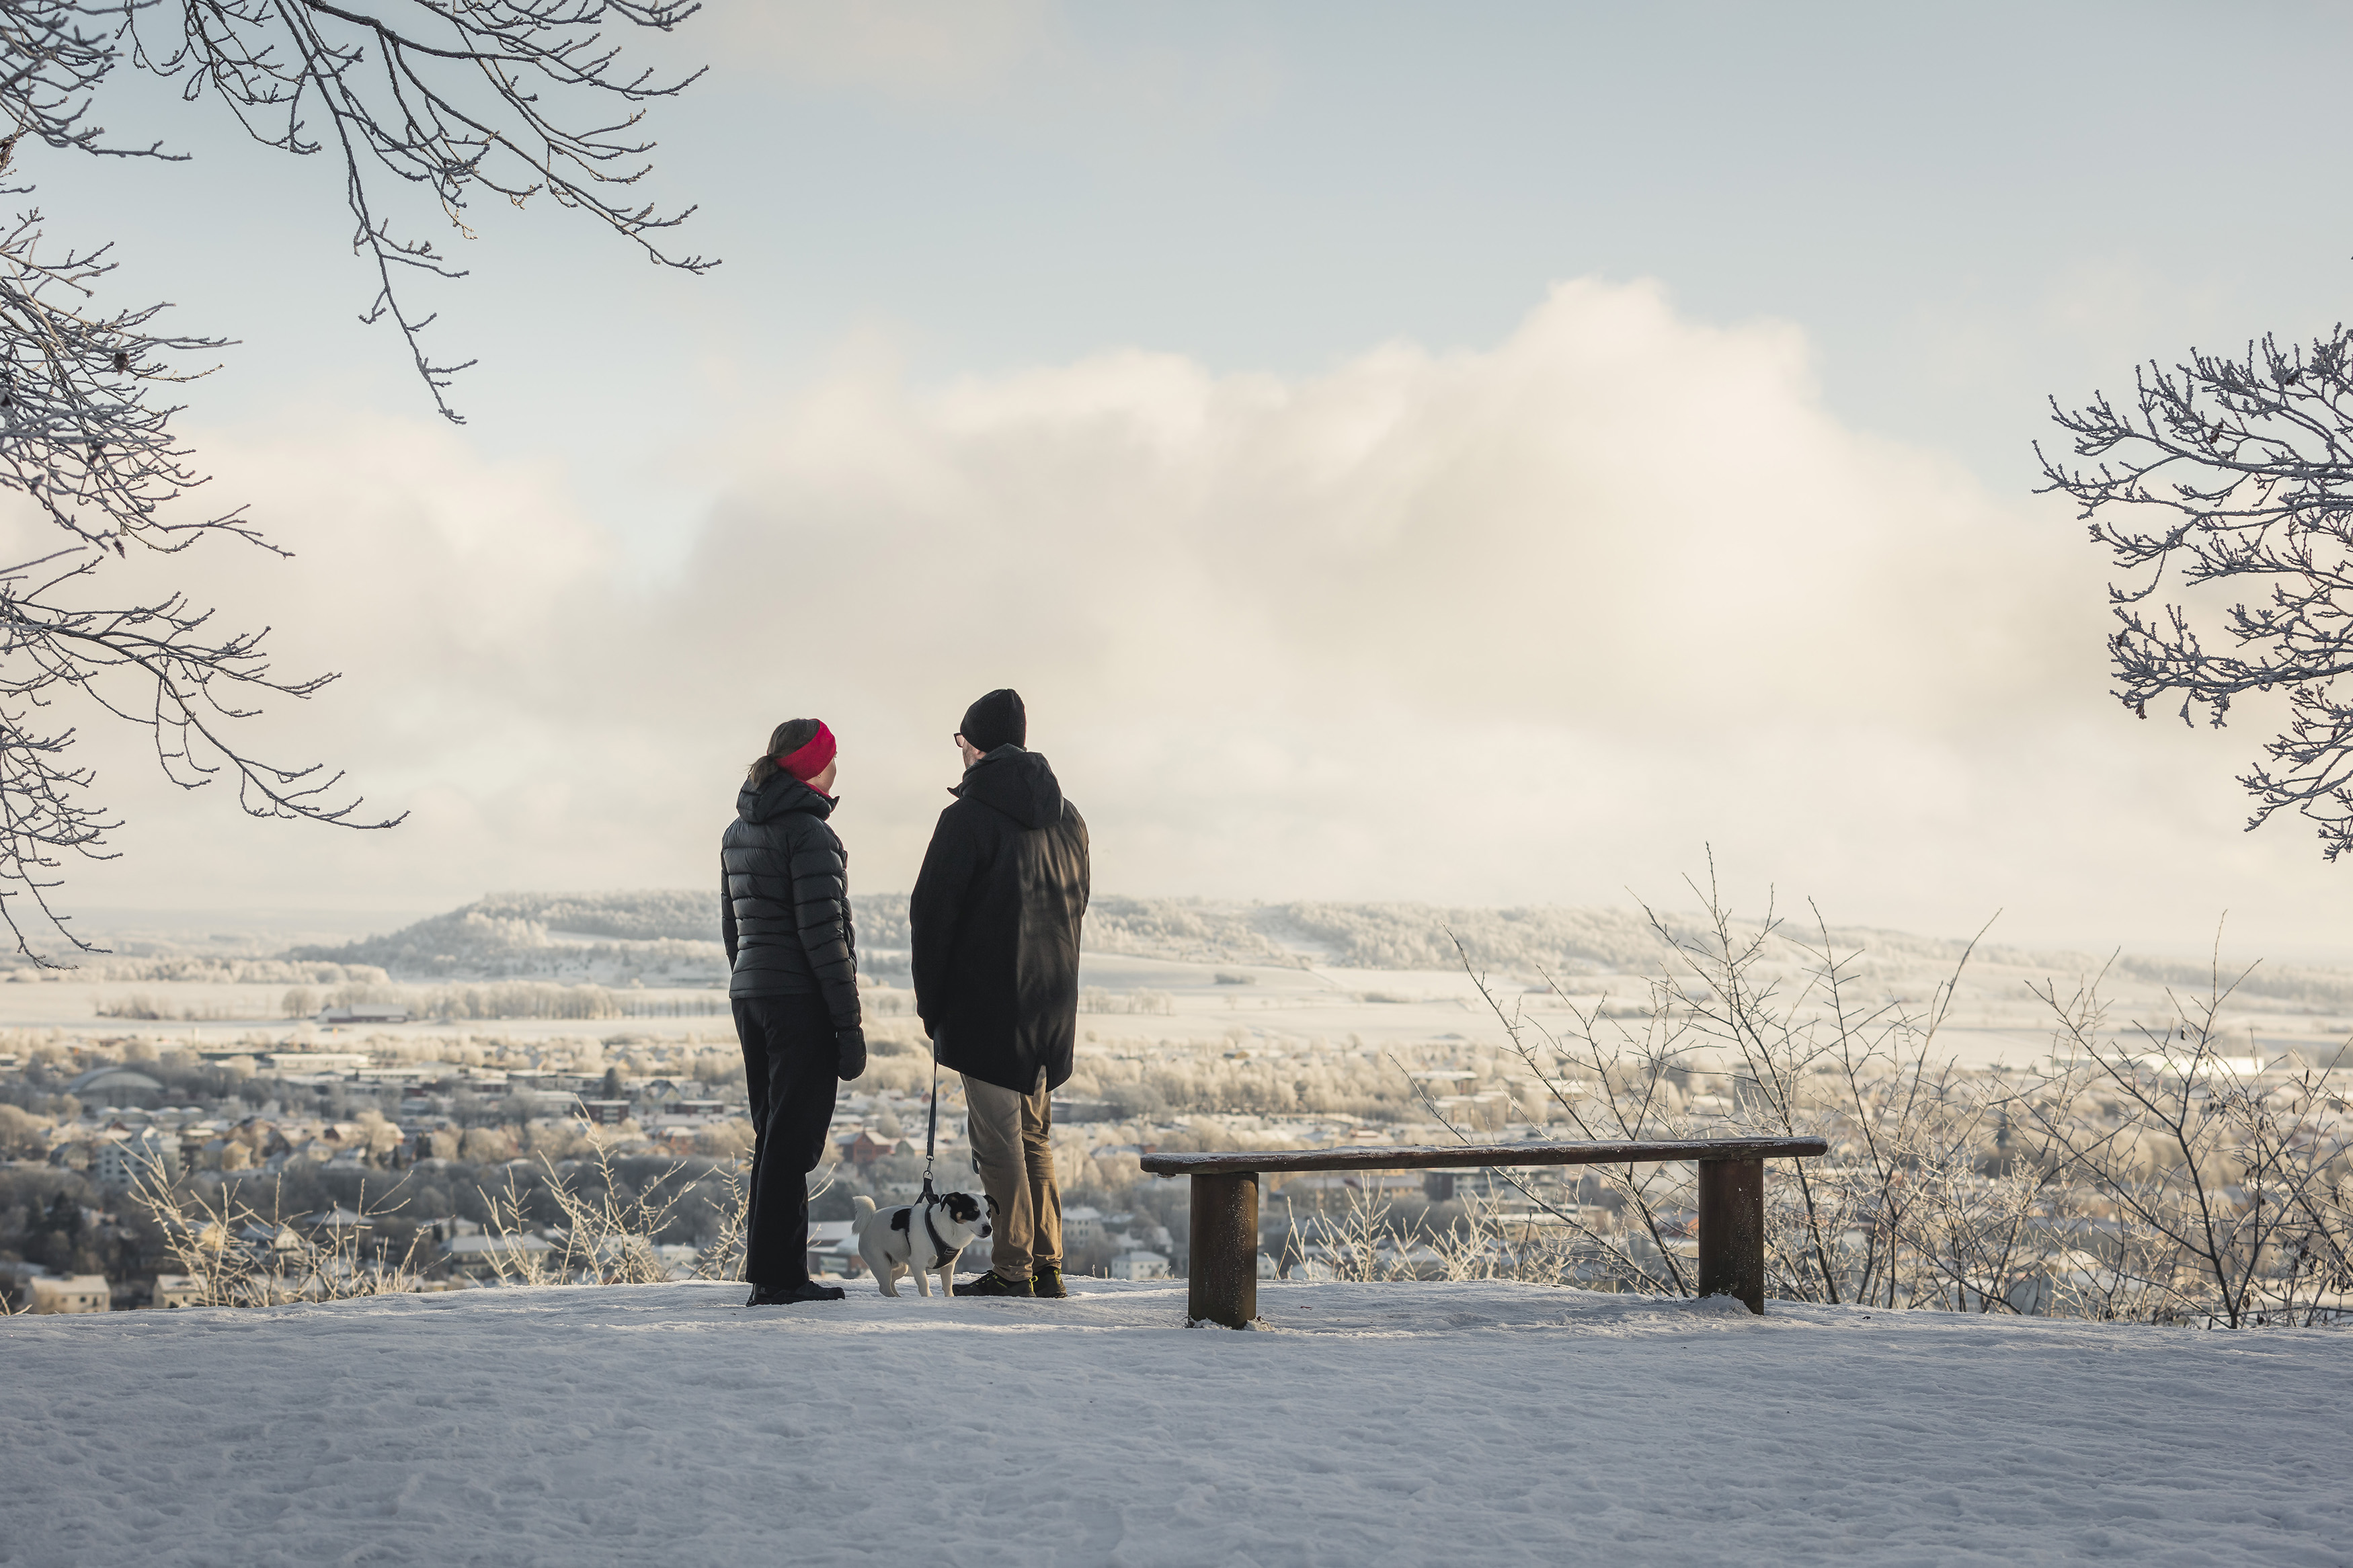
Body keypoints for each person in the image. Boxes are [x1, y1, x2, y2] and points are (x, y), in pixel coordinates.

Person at [910, 688, 1090, 1299]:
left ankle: (1013, 1269)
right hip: (1050, 1008)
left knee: (997, 1142)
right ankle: (1047, 1265)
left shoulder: (966, 818)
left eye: (961, 740)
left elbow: (931, 916)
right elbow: (1078, 905)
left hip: (985, 1008)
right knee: (1035, 1137)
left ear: (976, 745)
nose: (959, 750)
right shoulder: (1069, 818)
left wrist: (932, 1005)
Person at [723, 718, 867, 1307]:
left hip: (752, 994)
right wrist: (848, 1025)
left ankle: (771, 1272)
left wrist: (753, 979)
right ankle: (780, 1279)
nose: (837, 769)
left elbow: (734, 930)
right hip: (799, 1002)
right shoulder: (810, 834)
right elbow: (824, 938)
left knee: (773, 1135)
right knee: (792, 1141)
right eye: (831, 759)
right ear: (813, 768)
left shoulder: (738, 830)